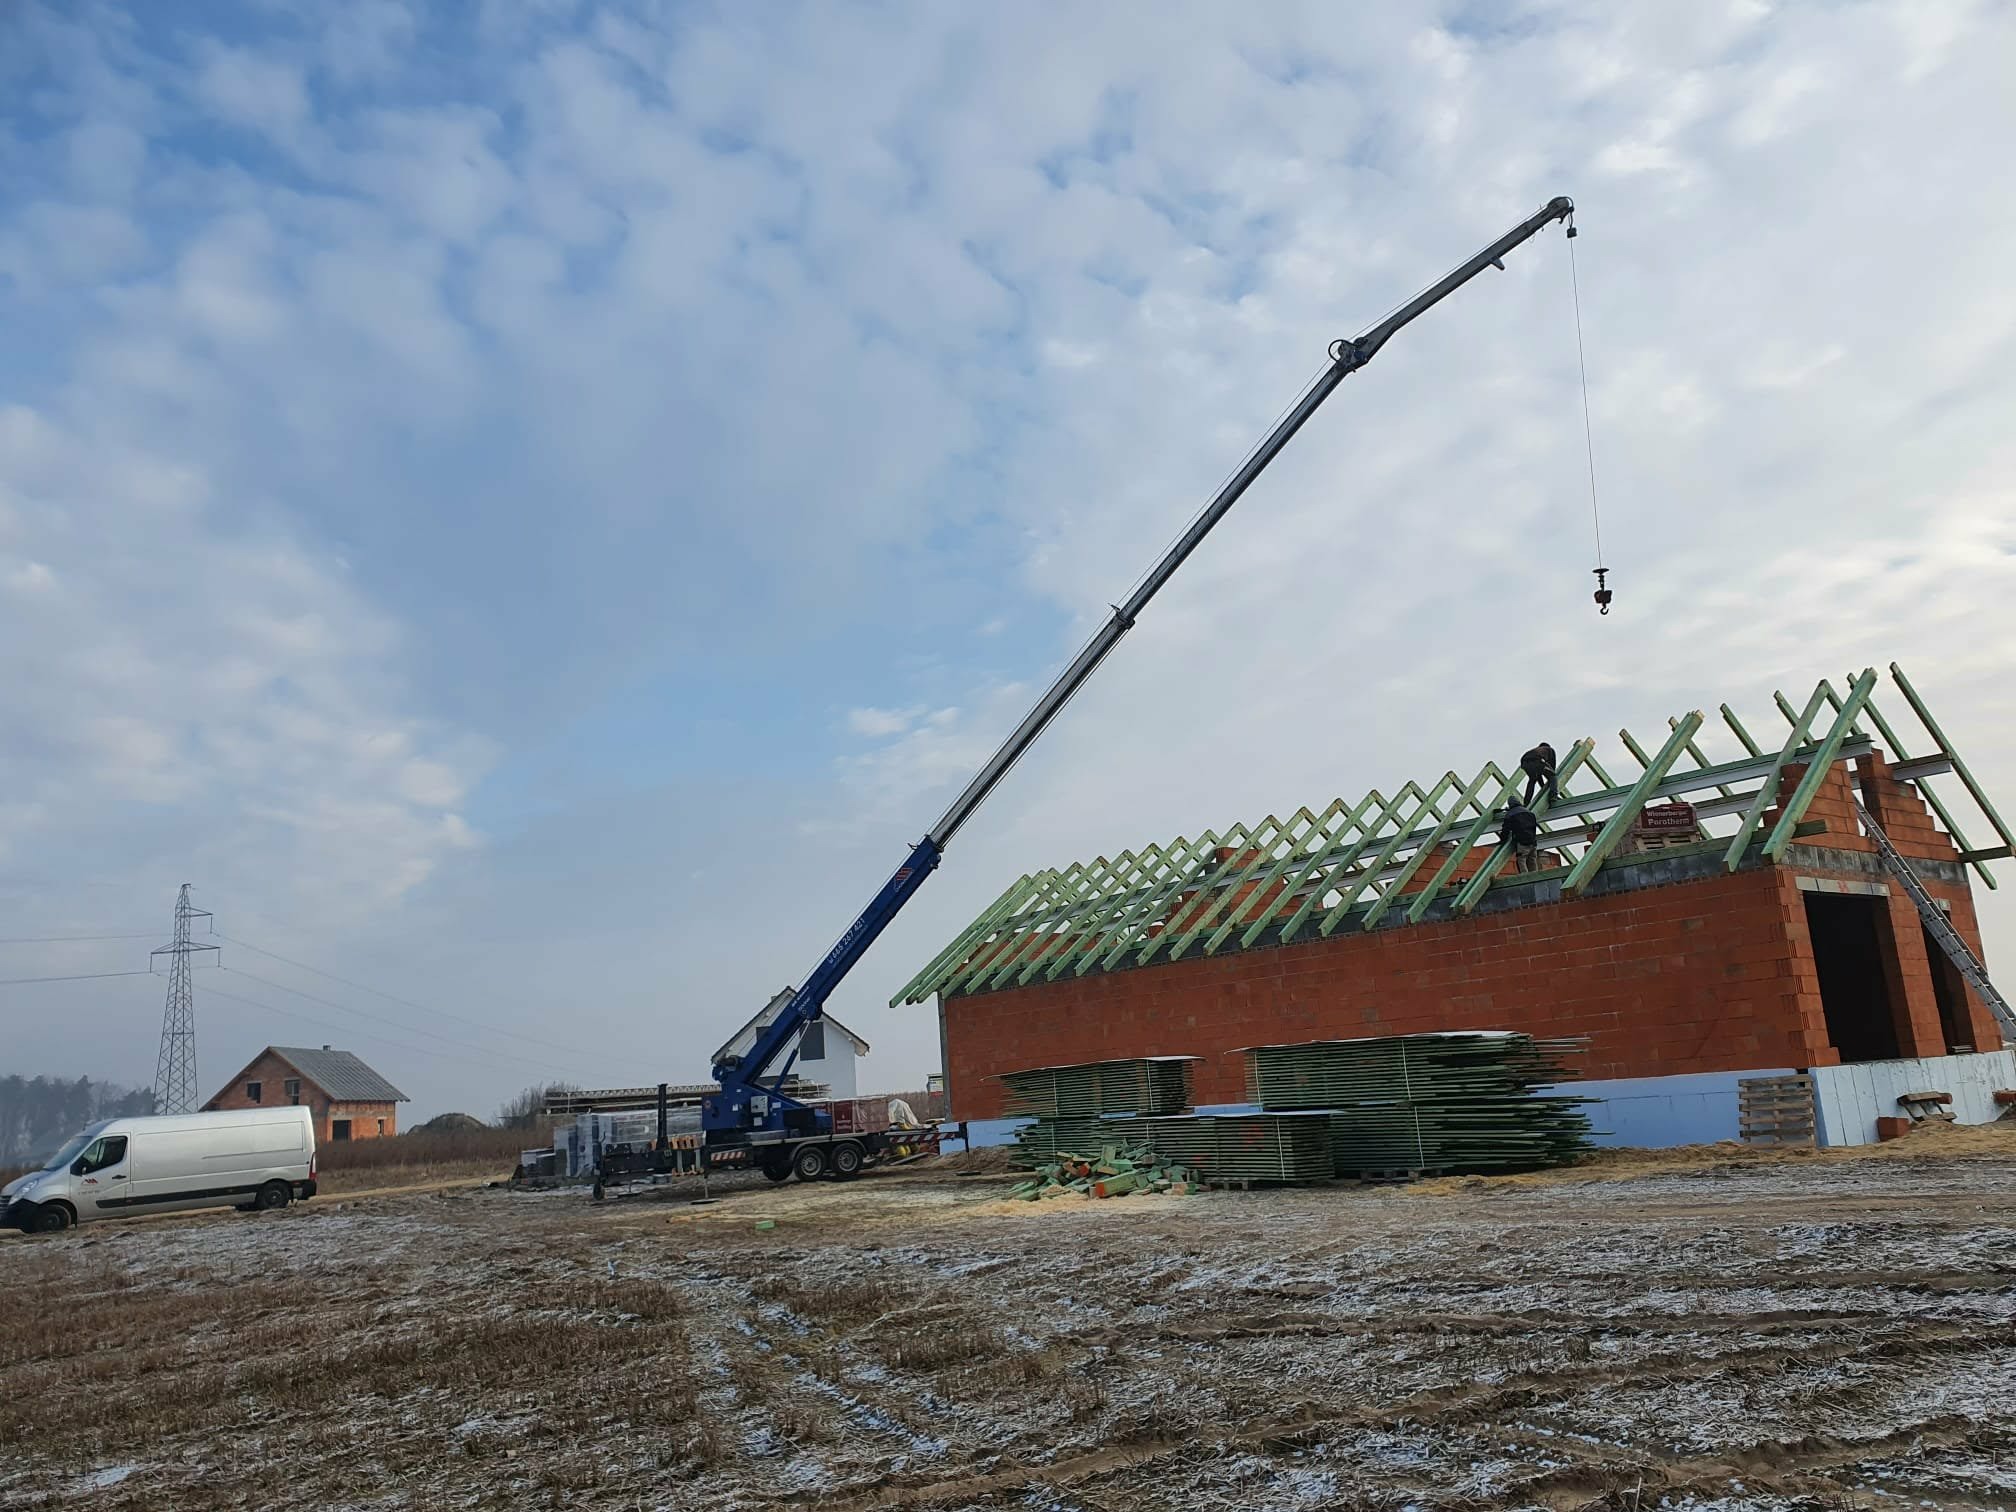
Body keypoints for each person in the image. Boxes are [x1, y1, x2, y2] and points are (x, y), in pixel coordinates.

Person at [1501, 799, 1541, 872]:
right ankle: (1535, 877)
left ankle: (1525, 878)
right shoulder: (1530, 813)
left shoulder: (1510, 814)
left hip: (1522, 842)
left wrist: (1502, 840)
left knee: (1521, 860)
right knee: (1532, 860)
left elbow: (1505, 829)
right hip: (1533, 841)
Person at [1520, 741, 1558, 805]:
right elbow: (1552, 765)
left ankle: (1526, 802)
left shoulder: (1535, 750)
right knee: (1553, 776)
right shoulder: (1549, 749)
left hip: (1524, 764)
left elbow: (1539, 776)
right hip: (1537, 761)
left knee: (1532, 780)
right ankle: (1553, 796)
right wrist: (1551, 776)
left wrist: (1543, 787)